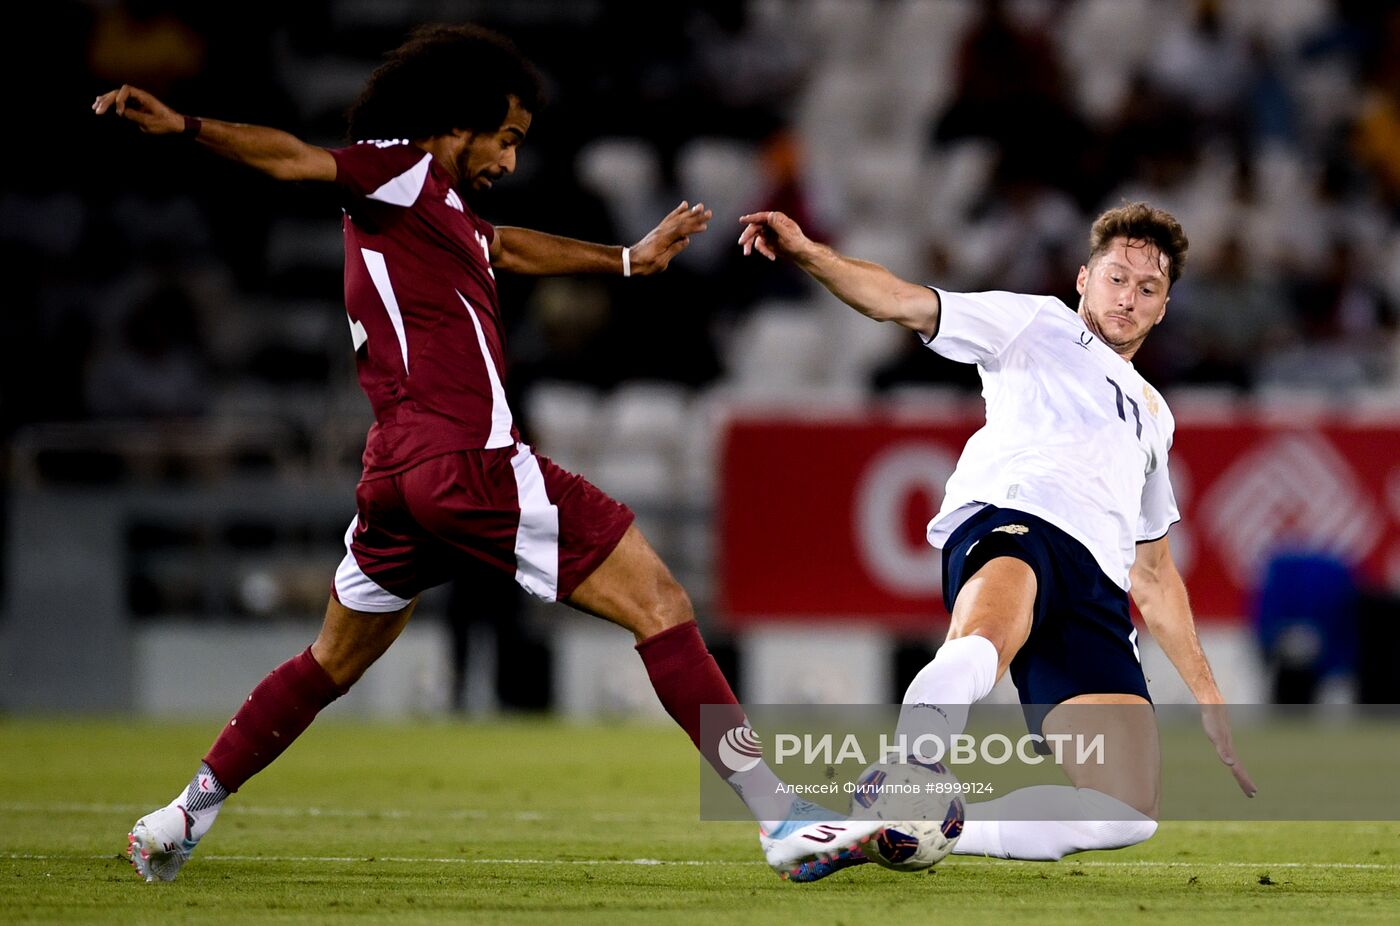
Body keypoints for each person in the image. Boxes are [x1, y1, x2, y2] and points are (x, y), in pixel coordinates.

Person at [94, 23, 882, 884]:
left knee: (330, 661)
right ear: (456, 121)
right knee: (660, 601)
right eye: (504, 138)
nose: (509, 160)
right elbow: (294, 160)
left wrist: (625, 259)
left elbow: (502, 246)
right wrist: (189, 129)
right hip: (467, 457)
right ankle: (781, 820)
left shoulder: (439, 208)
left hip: (393, 479)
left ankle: (182, 814)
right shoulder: (393, 169)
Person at [737, 202, 1256, 879]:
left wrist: (1209, 696)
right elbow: (901, 302)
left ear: (1164, 308)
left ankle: (897, 828)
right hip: (1020, 521)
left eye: (1147, 289)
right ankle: (909, 775)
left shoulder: (1157, 416)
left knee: (1126, 810)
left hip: (1095, 584)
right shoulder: (1036, 325)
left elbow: (1154, 574)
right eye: (1116, 278)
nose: (1128, 297)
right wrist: (811, 252)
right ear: (1083, 279)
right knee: (984, 638)